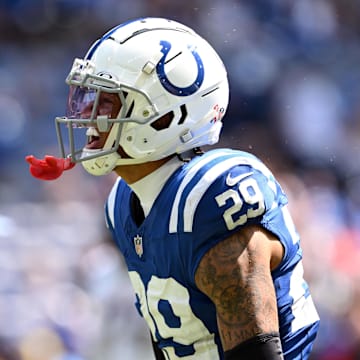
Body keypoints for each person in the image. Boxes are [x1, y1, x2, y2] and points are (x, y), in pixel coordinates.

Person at [26, 17, 320, 359]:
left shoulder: (211, 194)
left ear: (165, 115)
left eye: (107, 101)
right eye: (89, 97)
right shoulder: (122, 202)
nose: (88, 115)